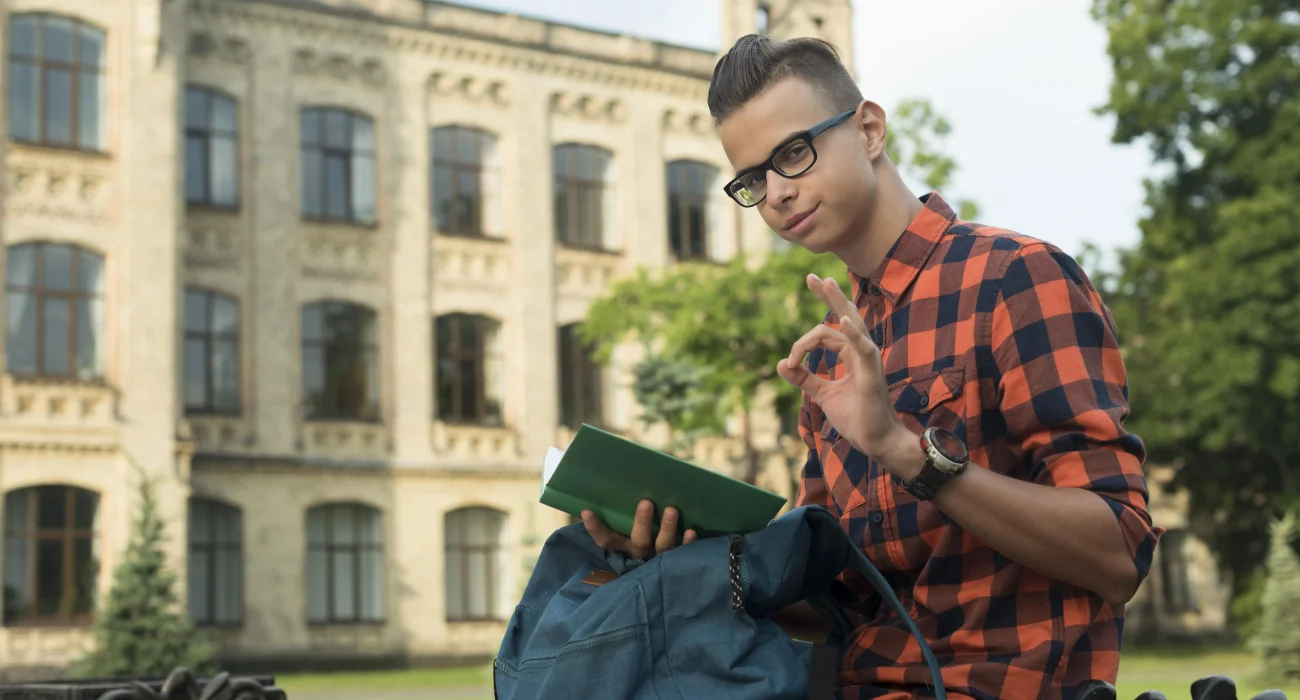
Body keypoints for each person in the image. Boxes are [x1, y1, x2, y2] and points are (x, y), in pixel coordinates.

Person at [582, 33, 1162, 700]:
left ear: (869, 129)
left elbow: (1117, 557)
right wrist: (687, 560)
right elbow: (844, 600)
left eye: (793, 154)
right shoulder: (836, 354)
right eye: (752, 179)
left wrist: (905, 452)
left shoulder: (1016, 280)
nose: (774, 193)